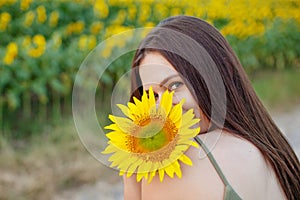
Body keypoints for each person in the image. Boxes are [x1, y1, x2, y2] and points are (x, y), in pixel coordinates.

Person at [124, 16, 300, 200]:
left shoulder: (179, 163)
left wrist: (132, 182)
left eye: (175, 85)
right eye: (153, 96)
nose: (161, 108)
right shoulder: (272, 153)